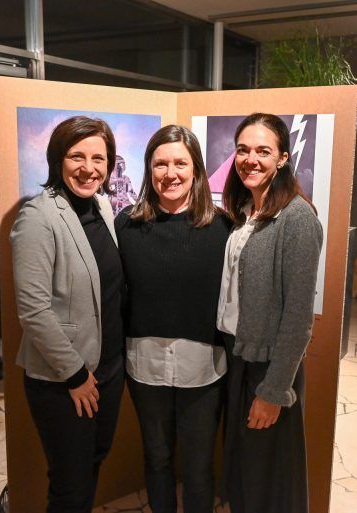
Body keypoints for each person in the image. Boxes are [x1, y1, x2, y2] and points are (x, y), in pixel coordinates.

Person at [10, 116, 126, 513]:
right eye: (77, 155)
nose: (88, 168)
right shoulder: (37, 218)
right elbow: (33, 309)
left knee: (92, 463)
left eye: (99, 158)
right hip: (65, 380)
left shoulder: (103, 207)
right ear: (58, 158)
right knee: (69, 486)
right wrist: (75, 375)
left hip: (107, 369)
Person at [115, 125, 231, 513]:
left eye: (180, 163)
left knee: (198, 468)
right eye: (160, 164)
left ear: (196, 170)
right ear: (149, 170)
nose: (171, 173)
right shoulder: (126, 226)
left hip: (204, 369)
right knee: (157, 459)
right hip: (144, 366)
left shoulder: (224, 228)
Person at [217, 113, 324, 513]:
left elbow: (299, 318)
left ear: (282, 158)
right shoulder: (246, 211)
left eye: (263, 151)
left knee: (271, 479)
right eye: (243, 150)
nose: (251, 159)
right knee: (246, 470)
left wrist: (275, 390)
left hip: (268, 367)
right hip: (239, 356)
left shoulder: (296, 218)